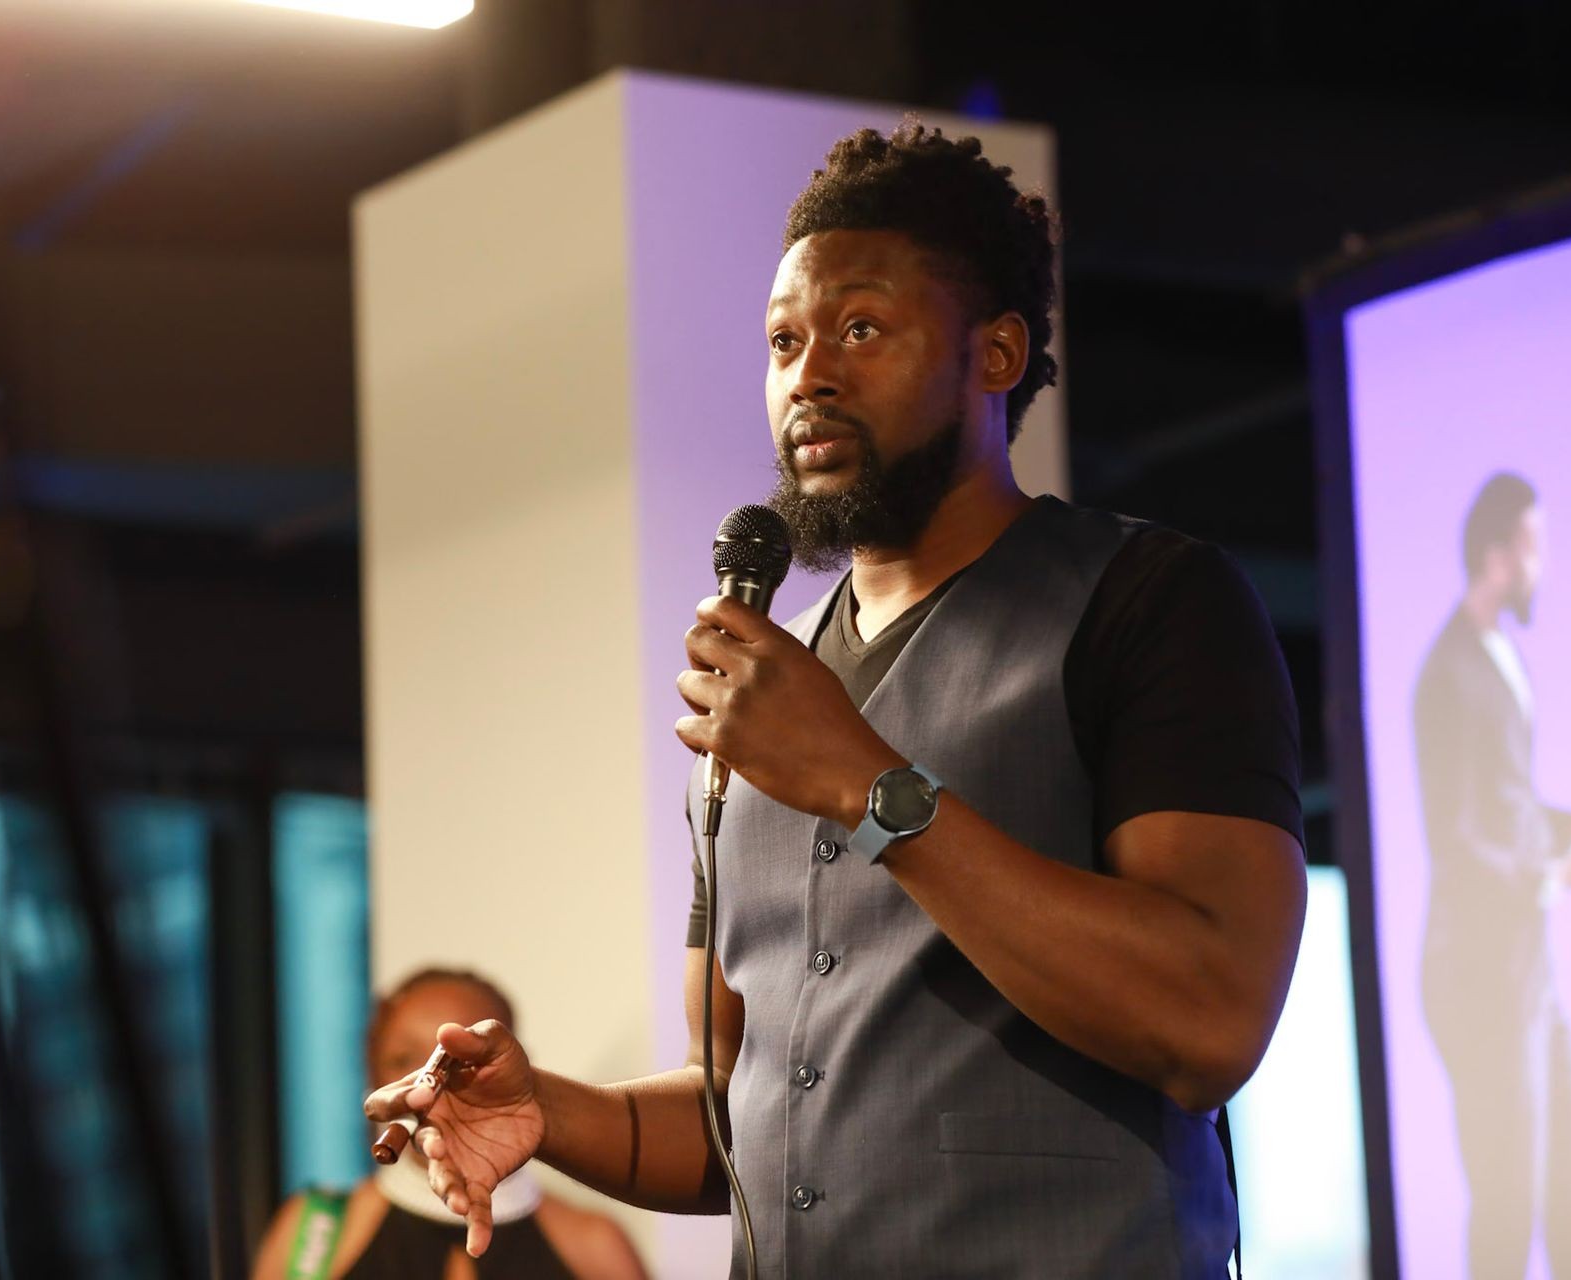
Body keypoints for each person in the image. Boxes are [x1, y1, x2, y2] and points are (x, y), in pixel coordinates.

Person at [366, 121, 1307, 1278]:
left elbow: (1207, 1018)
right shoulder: (762, 686)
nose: (807, 374)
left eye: (861, 329)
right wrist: (546, 1110)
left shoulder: (1152, 602)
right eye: (783, 340)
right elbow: (744, 1113)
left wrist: (866, 787)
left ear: (996, 354)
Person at [1412, 472, 1571, 1279]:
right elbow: (1457, 840)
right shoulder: (1447, 675)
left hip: (1525, 972)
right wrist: (1559, 875)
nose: (1542, 566)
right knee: (1509, 1203)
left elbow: (1509, 805)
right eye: (1535, 548)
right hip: (1478, 979)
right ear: (1497, 557)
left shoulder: (1495, 656)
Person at [253, 967, 647, 1280]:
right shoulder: (313, 1236)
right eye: (403, 1060)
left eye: (456, 1059)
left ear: (514, 1069)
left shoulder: (594, 1246)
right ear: (373, 1076)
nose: (428, 1085)